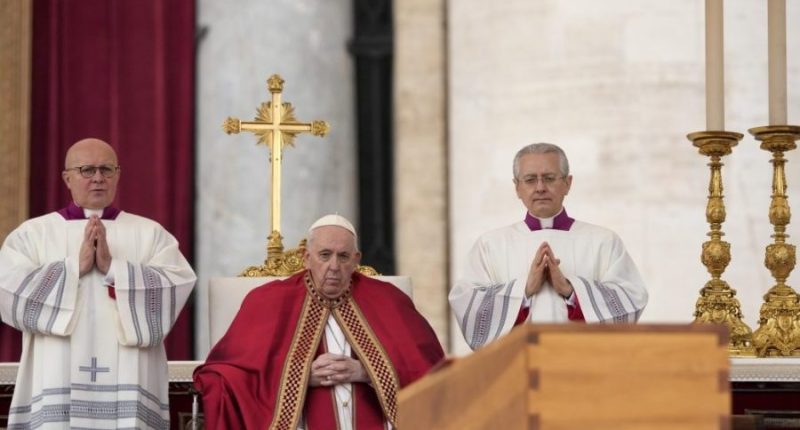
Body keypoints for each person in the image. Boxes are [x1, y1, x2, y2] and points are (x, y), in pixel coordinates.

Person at [0, 138, 196, 429]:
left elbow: (177, 283)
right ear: (67, 178)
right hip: (56, 373)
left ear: (118, 175)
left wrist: (114, 268)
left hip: (129, 378)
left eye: (106, 169)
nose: (98, 179)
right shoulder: (33, 233)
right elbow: (8, 289)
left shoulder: (149, 233)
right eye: (87, 170)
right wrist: (72, 269)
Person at [194, 214, 445, 430]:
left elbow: (430, 369)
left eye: (343, 256)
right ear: (306, 257)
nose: (334, 266)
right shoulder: (267, 301)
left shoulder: (389, 300)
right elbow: (224, 374)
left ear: (357, 259)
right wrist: (299, 376)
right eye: (325, 255)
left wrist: (367, 371)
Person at [449, 142, 648, 350]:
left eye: (550, 178)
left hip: (583, 365)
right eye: (530, 179)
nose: (540, 187)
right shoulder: (490, 245)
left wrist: (571, 291)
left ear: (568, 183)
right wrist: (524, 290)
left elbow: (631, 298)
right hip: (516, 367)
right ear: (517, 187)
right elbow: (469, 308)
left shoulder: (603, 241)